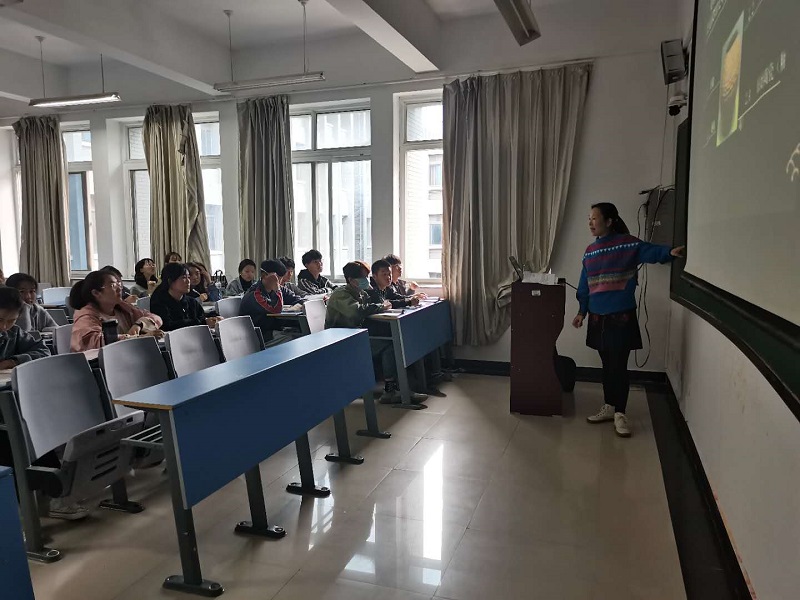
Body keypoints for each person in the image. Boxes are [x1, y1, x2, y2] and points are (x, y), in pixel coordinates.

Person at [572, 202, 684, 438]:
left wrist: (669, 253)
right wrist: (582, 312)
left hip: (621, 317)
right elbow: (584, 285)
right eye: (589, 218)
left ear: (609, 221)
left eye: (594, 218)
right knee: (606, 365)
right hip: (598, 318)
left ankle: (620, 413)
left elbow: (650, 251)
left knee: (618, 366)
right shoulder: (590, 251)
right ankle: (609, 406)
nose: (590, 223)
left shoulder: (627, 244)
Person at [325, 261, 427, 405]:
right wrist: (381, 307)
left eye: (367, 277)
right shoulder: (341, 294)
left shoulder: (360, 293)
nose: (367, 280)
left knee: (393, 342)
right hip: (341, 341)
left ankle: (394, 389)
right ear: (351, 280)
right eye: (363, 277)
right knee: (390, 346)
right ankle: (392, 390)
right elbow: (356, 311)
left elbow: (374, 304)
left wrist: (378, 303)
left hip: (355, 336)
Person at [70, 270, 164, 352]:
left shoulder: (122, 307)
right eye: (113, 285)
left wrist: (139, 324)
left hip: (126, 357)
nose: (120, 288)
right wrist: (139, 338)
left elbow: (156, 318)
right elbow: (97, 342)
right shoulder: (86, 316)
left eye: (119, 284)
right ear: (96, 293)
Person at [240, 260, 304, 343]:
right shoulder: (254, 294)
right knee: (295, 340)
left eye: (280, 278)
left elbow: (297, 299)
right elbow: (276, 310)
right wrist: (277, 289)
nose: (279, 282)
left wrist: (302, 305)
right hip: (260, 335)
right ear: (264, 275)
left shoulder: (277, 288)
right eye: (276, 278)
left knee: (302, 332)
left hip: (274, 328)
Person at [150, 263, 222, 331]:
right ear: (170, 281)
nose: (188, 281)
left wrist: (214, 318)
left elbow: (201, 316)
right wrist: (202, 322)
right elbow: (168, 326)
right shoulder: (159, 302)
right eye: (183, 277)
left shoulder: (191, 301)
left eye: (188, 277)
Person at [0, 287, 50, 366]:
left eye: (11, 321)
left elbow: (44, 352)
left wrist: (14, 361)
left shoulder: (14, 333)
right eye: (0, 320)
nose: (4, 327)